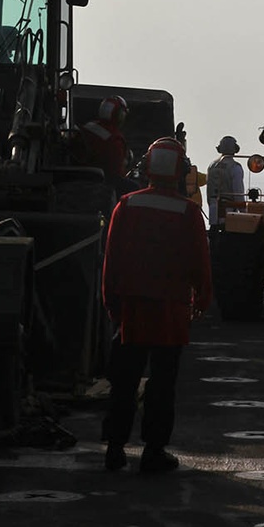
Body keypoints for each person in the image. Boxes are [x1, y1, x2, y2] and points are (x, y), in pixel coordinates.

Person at [101, 135, 212, 475]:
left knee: (123, 382)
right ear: (180, 170)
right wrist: (202, 300)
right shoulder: (188, 212)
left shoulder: (127, 205)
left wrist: (112, 305)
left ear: (147, 165)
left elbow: (112, 260)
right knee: (162, 385)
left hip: (132, 312)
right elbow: (200, 264)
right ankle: (153, 451)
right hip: (171, 314)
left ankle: (115, 449)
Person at [71, 95, 130, 183]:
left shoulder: (88, 126)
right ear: (120, 115)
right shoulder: (115, 139)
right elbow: (116, 172)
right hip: (101, 180)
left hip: (78, 173)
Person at [206, 134, 245, 228]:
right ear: (235, 149)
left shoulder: (211, 166)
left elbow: (209, 190)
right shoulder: (235, 167)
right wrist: (244, 213)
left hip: (213, 213)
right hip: (229, 214)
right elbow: (238, 194)